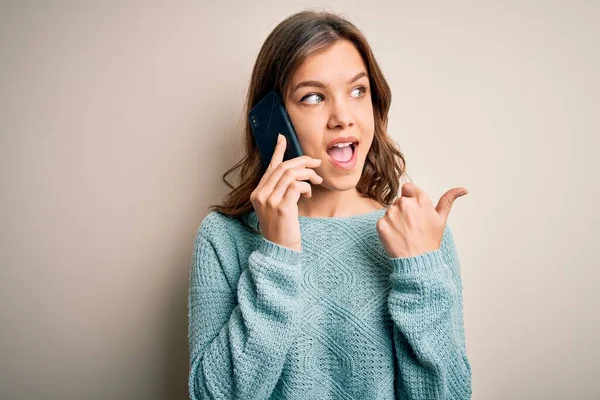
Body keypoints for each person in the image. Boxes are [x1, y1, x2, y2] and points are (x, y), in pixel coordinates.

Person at [188, 9, 472, 400]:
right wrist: (276, 254)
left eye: (358, 91)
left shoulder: (419, 234)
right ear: (273, 119)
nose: (343, 117)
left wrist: (419, 270)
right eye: (314, 97)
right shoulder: (224, 238)